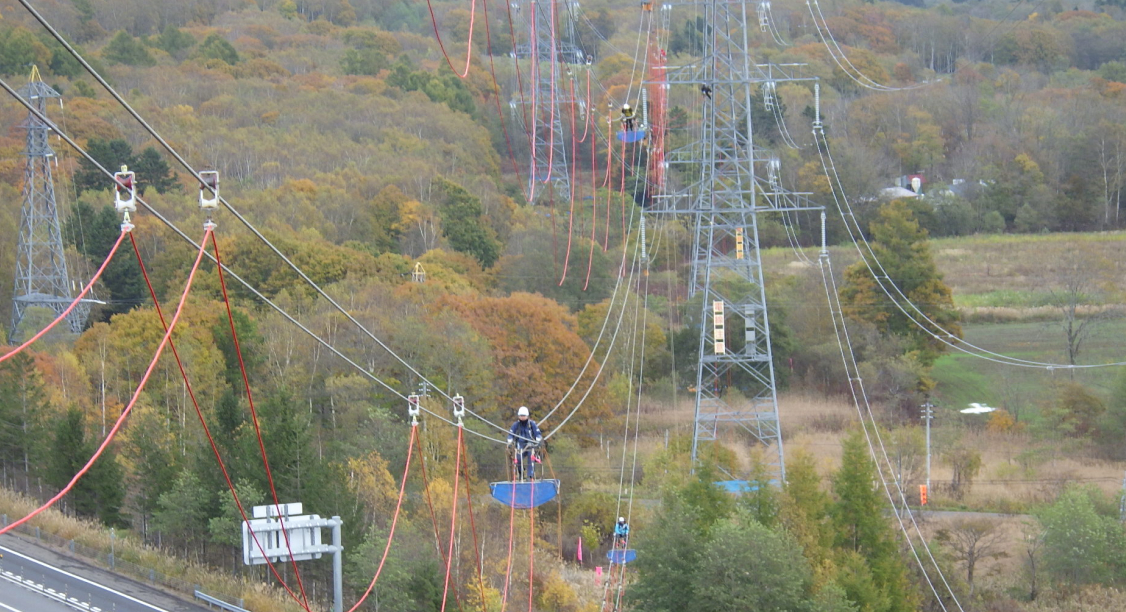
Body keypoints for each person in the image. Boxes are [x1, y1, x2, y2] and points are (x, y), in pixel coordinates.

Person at [507, 406, 542, 480]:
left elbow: (537, 433)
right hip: (520, 446)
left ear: (527, 416)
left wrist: (538, 439)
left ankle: (530, 475)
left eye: (524, 416)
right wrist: (509, 441)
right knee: (518, 458)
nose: (522, 417)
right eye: (521, 416)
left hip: (530, 445)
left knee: (531, 457)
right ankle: (521, 472)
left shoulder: (532, 424)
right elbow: (511, 434)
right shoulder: (516, 425)